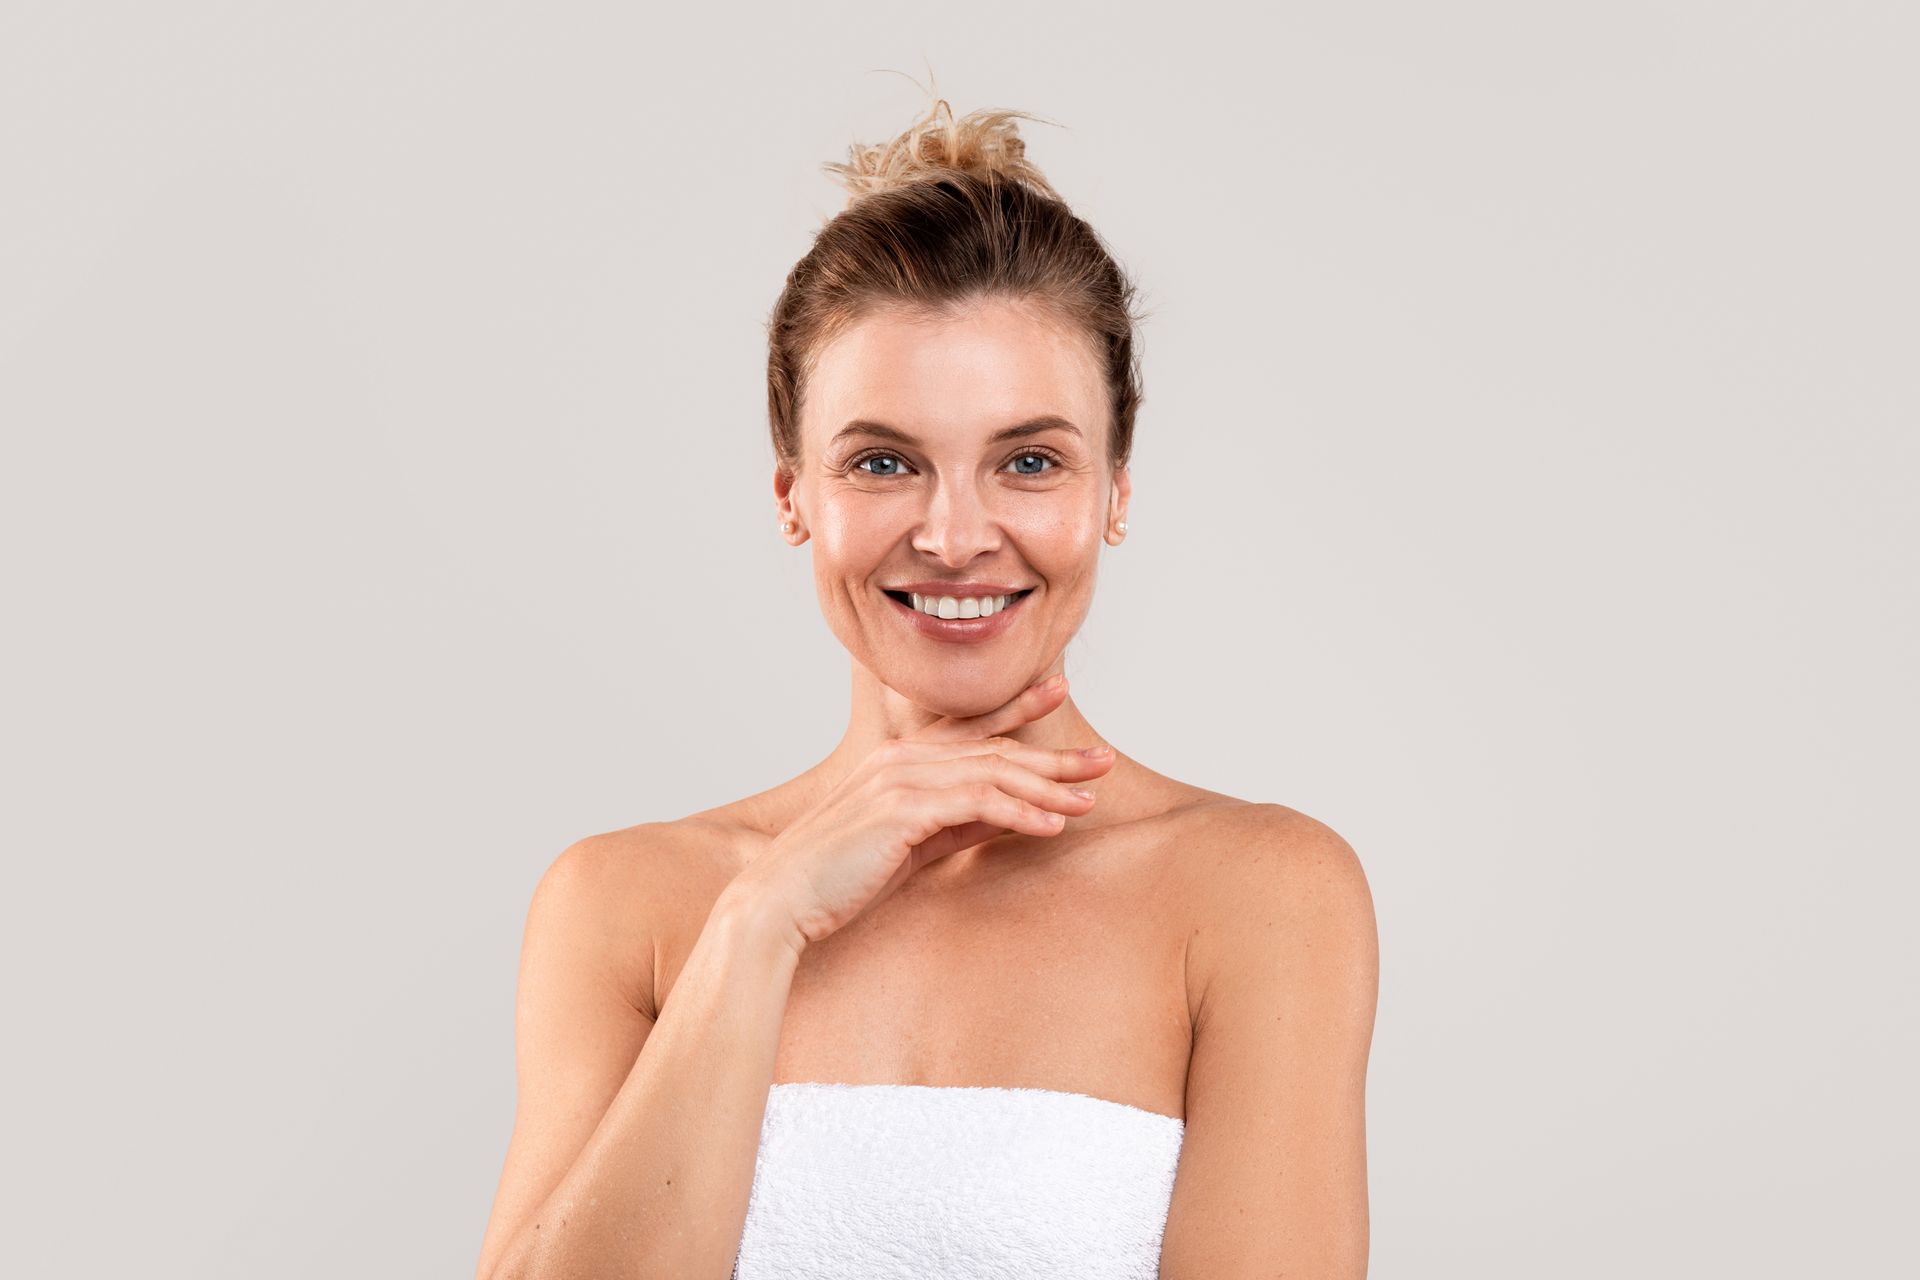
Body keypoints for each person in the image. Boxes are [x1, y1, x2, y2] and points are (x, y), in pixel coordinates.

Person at [475, 95, 1379, 1280]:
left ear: (1114, 488)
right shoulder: (627, 903)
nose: (956, 535)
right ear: (794, 492)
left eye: (1030, 461)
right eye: (885, 462)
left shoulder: (1263, 894)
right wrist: (764, 918)